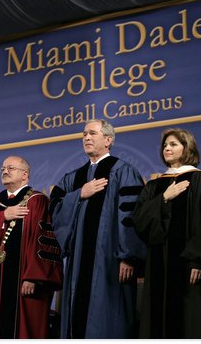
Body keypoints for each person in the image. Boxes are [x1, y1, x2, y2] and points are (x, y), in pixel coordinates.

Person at [49, 119, 147, 339]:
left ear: (108, 140)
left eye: (92, 133)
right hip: (78, 263)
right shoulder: (72, 179)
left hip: (111, 261)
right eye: (84, 134)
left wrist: (128, 257)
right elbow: (54, 207)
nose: (86, 138)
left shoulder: (123, 172)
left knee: (109, 318)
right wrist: (79, 194)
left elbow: (132, 214)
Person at [132, 128, 201, 339]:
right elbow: (140, 221)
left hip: (191, 267)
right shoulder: (154, 186)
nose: (167, 148)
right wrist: (164, 198)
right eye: (165, 145)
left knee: (190, 322)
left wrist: (199, 260)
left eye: (173, 144)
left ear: (187, 148)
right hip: (158, 269)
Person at [0, 155, 63, 339]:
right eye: (2, 169)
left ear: (25, 175)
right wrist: (3, 216)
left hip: (27, 281)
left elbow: (44, 240)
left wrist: (33, 278)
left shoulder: (37, 201)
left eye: (10, 168)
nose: (4, 171)